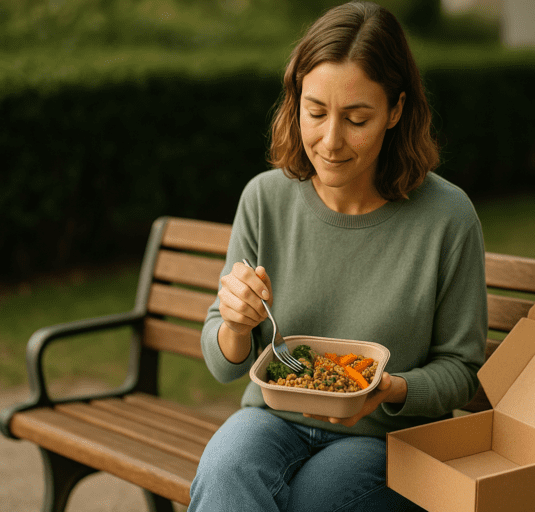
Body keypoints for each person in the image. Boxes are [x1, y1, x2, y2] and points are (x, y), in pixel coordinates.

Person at [189, 2, 488, 511]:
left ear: (396, 110)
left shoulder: (447, 217)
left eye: (356, 119)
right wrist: (236, 325)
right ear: (296, 102)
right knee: (226, 467)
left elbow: (460, 370)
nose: (329, 141)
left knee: (319, 498)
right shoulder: (265, 199)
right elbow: (222, 364)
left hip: (384, 439)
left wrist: (389, 388)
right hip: (272, 419)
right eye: (315, 112)